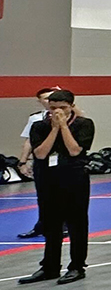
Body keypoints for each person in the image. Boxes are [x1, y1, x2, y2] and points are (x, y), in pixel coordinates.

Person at [19, 90, 92, 285]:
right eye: (53, 108)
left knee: (76, 222)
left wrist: (63, 127)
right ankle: (50, 266)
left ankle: (77, 266)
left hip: (74, 177)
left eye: (62, 108)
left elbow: (75, 150)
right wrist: (54, 129)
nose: (57, 112)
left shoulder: (84, 124)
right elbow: (41, 153)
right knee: (50, 223)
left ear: (71, 107)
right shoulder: (39, 126)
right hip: (48, 178)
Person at [15, 88, 55, 239]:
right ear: (40, 101)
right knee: (43, 196)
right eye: (45, 98)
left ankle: (62, 225)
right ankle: (42, 225)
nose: (49, 101)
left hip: (62, 162)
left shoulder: (70, 116)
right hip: (41, 161)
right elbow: (28, 141)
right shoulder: (35, 119)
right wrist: (23, 161)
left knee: (61, 195)